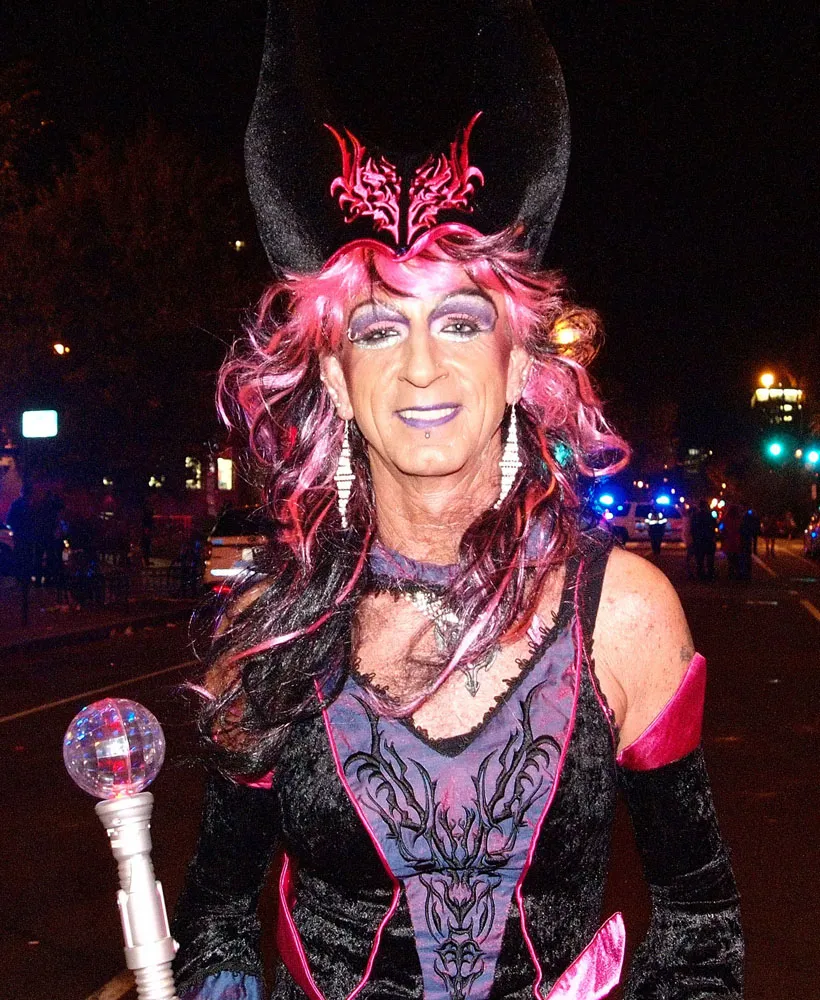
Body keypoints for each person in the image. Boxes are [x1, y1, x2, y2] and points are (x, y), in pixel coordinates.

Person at [171, 4, 743, 999]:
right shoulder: (272, 630)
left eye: (462, 322)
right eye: (379, 330)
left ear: (517, 362)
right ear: (337, 378)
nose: (422, 366)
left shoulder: (624, 614)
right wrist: (220, 981)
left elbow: (698, 917)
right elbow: (218, 910)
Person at [691, 500, 718, 581]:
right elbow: (714, 526)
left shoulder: (696, 516)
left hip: (699, 540)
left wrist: (694, 539)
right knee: (710, 559)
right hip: (709, 540)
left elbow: (693, 529)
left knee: (700, 559)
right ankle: (710, 574)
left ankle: (700, 574)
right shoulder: (710, 516)